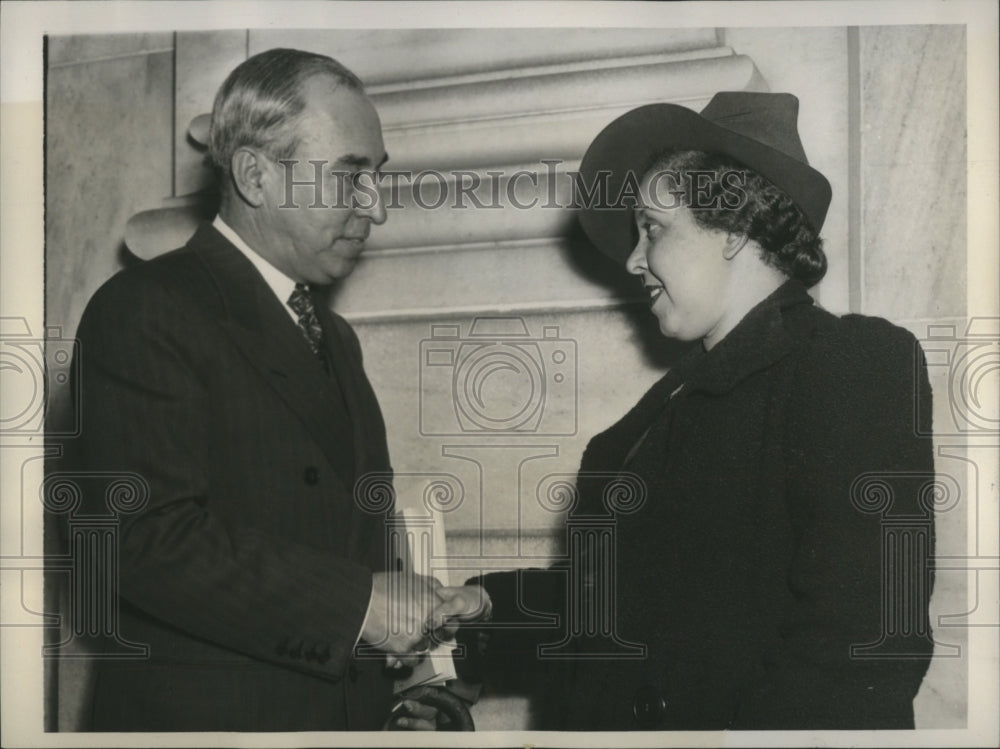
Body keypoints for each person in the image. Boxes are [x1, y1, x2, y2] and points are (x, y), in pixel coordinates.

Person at [442, 92, 936, 730]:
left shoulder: (849, 363)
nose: (632, 260)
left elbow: (863, 644)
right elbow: (627, 611)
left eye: (652, 227)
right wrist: (485, 605)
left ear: (733, 226)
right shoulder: (662, 412)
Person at [71, 48, 451, 731]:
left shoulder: (335, 337)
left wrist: (403, 686)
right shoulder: (144, 308)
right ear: (253, 174)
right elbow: (139, 542)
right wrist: (361, 607)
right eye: (349, 178)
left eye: (377, 178)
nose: (377, 209)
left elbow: (345, 544)